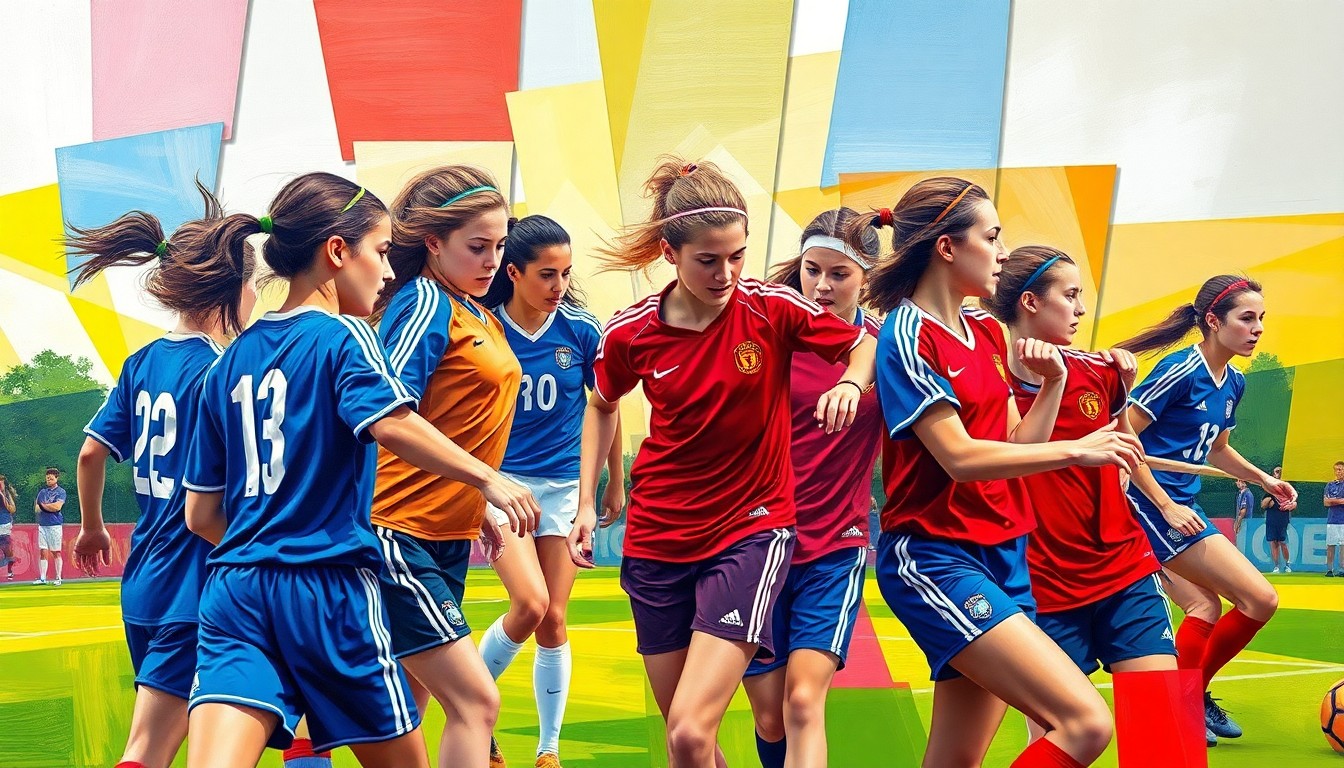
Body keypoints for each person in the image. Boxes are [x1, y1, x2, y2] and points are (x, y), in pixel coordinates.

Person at [181, 172, 535, 768]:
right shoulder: (344, 335)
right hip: (330, 591)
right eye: (378, 251)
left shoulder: (226, 361)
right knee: (464, 710)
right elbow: (392, 423)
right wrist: (487, 480)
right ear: (338, 252)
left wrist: (267, 549)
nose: (389, 270)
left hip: (234, 592)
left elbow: (201, 514)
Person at [581, 158, 878, 768]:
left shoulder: (771, 309)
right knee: (690, 744)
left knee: (691, 733)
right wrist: (590, 500)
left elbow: (864, 339)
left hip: (751, 532)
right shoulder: (630, 333)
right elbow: (602, 404)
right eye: (708, 260)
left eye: (738, 256)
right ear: (670, 252)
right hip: (656, 541)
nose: (727, 274)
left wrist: (850, 382)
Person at [856, 178, 1145, 768]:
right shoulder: (906, 338)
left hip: (1003, 553)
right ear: (946, 247)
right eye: (991, 237)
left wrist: (1055, 386)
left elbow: (1013, 444)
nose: (1003, 253)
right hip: (937, 558)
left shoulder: (987, 331)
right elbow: (960, 458)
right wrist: (1076, 450)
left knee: (955, 759)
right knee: (1085, 724)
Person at [65, 186, 255, 768]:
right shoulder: (224, 371)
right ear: (230, 289)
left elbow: (91, 454)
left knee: (207, 736)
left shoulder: (141, 362)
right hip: (193, 585)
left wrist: (93, 528)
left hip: (144, 582)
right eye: (252, 285)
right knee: (150, 749)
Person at [368, 165, 540, 768]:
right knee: (475, 701)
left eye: (499, 245)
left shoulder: (481, 314)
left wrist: (478, 503)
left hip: (447, 535)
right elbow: (386, 412)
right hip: (397, 531)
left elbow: (462, 423)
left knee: (415, 707)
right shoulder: (422, 303)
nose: (493, 260)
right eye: (477, 246)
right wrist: (489, 480)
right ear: (433, 243)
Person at [983, 245, 1181, 749]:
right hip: (1041, 592)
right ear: (1029, 302)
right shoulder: (984, 382)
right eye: (1069, 296)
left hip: (1125, 573)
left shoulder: (1101, 371)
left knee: (1164, 745)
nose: (1080, 309)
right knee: (1060, 744)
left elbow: (1124, 451)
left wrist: (1161, 502)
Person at [1118, 275, 1298, 745]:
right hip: (1146, 504)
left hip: (1182, 505)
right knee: (1260, 598)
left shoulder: (1233, 381)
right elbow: (1123, 439)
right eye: (1247, 318)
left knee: (1206, 605)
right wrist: (1164, 505)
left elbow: (1217, 448)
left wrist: (1264, 478)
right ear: (1213, 322)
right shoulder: (1179, 371)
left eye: (1261, 319)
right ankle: (1185, 699)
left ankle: (1186, 697)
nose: (1258, 328)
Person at [477, 215, 626, 768]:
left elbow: (604, 406)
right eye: (546, 274)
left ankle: (547, 751)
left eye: (565, 273)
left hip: (565, 489)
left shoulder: (582, 331)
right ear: (512, 272)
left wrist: (608, 482)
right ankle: (473, 705)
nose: (558, 285)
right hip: (506, 489)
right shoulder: (484, 330)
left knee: (555, 618)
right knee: (528, 603)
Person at [741, 207, 884, 768]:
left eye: (839, 274)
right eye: (811, 270)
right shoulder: (771, 333)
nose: (822, 286)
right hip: (756, 546)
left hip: (835, 546)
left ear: (866, 277)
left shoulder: (887, 348)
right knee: (771, 716)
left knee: (804, 701)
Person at [34, 468, 67, 585]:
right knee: (43, 551)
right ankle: (43, 577)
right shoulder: (42, 492)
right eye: (47, 478)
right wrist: (48, 507)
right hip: (43, 524)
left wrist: (44, 506)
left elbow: (57, 507)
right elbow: (37, 508)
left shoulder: (61, 492)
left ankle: (58, 577)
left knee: (56, 551)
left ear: (56, 478)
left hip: (55, 525)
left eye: (51, 478)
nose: (49, 480)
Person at [1261, 466, 1290, 572]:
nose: (1279, 474)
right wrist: (1269, 500)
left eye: (1280, 472)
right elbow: (1263, 505)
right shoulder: (1269, 491)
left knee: (1283, 542)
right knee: (1273, 542)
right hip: (1271, 520)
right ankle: (1276, 566)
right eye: (1277, 472)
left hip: (1282, 519)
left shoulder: (1287, 490)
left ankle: (1287, 564)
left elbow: (1291, 503)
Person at [1325, 461, 1344, 577]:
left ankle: (1342, 569)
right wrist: (1340, 500)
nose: (1338, 472)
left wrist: (1333, 501)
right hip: (1332, 519)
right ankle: (1329, 569)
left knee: (1343, 545)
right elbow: (1326, 502)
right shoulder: (1330, 485)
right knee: (1330, 545)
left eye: (1341, 469)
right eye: (1336, 469)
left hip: (1343, 520)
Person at [0, 475, 17, 580]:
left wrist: (2, 496)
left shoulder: (7, 494)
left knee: (7, 548)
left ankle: (10, 571)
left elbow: (12, 509)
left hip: (4, 524)